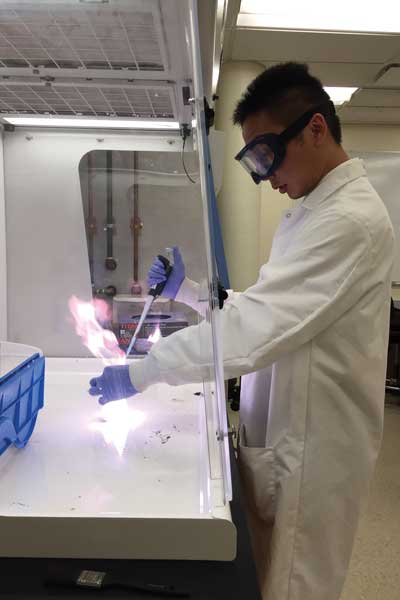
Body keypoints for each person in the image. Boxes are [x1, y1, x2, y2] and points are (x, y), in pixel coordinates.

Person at [89, 62, 395, 600]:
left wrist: (144, 372)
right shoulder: (311, 212)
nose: (264, 175)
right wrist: (190, 291)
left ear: (316, 128)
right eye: (253, 161)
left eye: (266, 154)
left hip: (311, 455)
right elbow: (267, 311)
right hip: (282, 440)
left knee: (293, 588)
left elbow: (256, 331)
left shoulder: (350, 220)